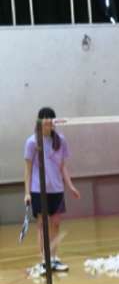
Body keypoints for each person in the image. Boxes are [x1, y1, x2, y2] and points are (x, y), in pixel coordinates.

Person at [24, 107, 80, 274]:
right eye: (45, 117)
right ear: (39, 121)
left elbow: (63, 167)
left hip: (57, 189)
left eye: (51, 117)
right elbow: (27, 170)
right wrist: (27, 192)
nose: (48, 120)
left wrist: (70, 186)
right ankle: (44, 260)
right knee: (42, 226)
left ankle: (54, 259)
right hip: (38, 190)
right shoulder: (32, 142)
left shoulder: (60, 140)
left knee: (55, 224)